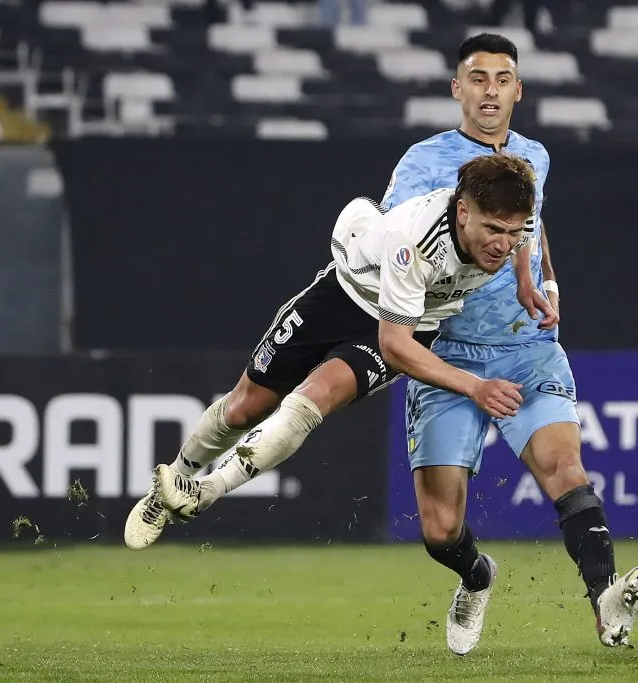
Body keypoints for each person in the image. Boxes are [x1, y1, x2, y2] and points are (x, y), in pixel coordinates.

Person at [123, 153, 555, 547]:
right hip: (346, 294)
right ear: (463, 211)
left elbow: (524, 238)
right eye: (493, 230)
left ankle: (206, 492)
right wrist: (477, 389)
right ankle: (174, 480)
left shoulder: (517, 225)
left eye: (511, 231)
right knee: (242, 409)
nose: (503, 242)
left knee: (309, 400)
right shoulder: (416, 241)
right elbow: (395, 347)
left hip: (411, 321)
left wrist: (526, 282)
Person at [381, 32, 638, 657]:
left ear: (518, 90)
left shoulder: (535, 155)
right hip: (447, 354)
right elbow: (392, 247)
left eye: (502, 79)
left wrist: (541, 281)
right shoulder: (424, 162)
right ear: (457, 88)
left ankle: (606, 602)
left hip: (525, 346)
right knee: (439, 528)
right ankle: (476, 576)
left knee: (566, 468)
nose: (490, 91)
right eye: (478, 79)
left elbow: (532, 226)